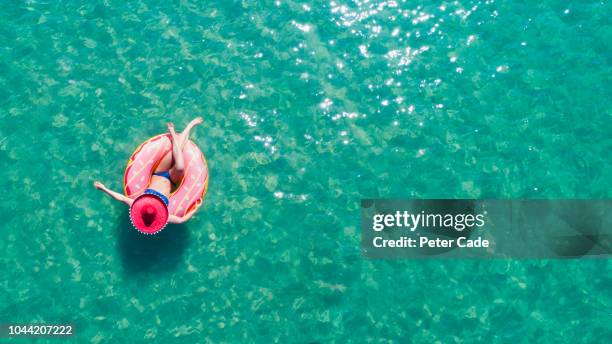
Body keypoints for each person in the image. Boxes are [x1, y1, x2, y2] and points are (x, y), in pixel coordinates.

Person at [94, 117, 203, 230]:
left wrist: (103, 189)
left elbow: (121, 198)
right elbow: (180, 220)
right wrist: (196, 208)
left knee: (175, 153)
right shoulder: (164, 216)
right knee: (180, 166)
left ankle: (178, 131)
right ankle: (188, 126)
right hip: (172, 179)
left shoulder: (138, 204)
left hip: (158, 173)